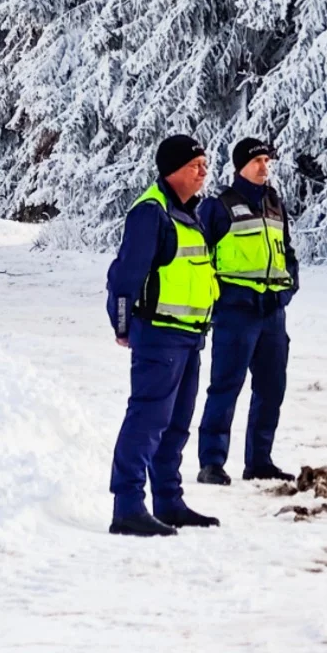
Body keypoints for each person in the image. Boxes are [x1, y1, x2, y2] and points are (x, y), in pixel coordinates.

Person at [104, 135, 223, 537]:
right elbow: (124, 276)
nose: (203, 172)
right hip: (159, 337)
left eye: (205, 164)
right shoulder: (151, 213)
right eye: (195, 166)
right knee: (148, 420)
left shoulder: (194, 213)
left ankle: (169, 501)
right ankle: (127, 507)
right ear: (172, 170)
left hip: (190, 337)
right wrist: (122, 325)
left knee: (176, 424)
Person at [194, 138, 298, 484]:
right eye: (258, 162)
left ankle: (259, 461)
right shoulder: (219, 207)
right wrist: (216, 301)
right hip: (236, 314)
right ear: (241, 166)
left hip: (272, 314)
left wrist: (288, 289)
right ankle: (211, 462)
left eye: (267, 161)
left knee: (272, 388)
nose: (264, 167)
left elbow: (287, 252)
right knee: (225, 387)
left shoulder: (274, 204)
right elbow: (199, 258)